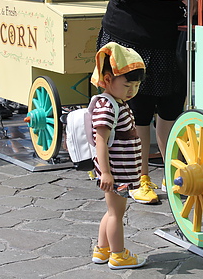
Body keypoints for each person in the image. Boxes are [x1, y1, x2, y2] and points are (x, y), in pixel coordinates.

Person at [96, 0, 196, 204]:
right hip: (132, 38)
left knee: (170, 105)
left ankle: (169, 170)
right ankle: (139, 177)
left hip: (168, 38)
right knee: (137, 110)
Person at [90, 41, 147, 269]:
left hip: (118, 172)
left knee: (112, 211)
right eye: (127, 85)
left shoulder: (117, 102)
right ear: (107, 80)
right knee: (116, 214)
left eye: (136, 85)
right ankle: (118, 255)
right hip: (115, 173)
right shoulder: (108, 106)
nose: (132, 90)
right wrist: (105, 172)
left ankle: (102, 250)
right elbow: (100, 141)